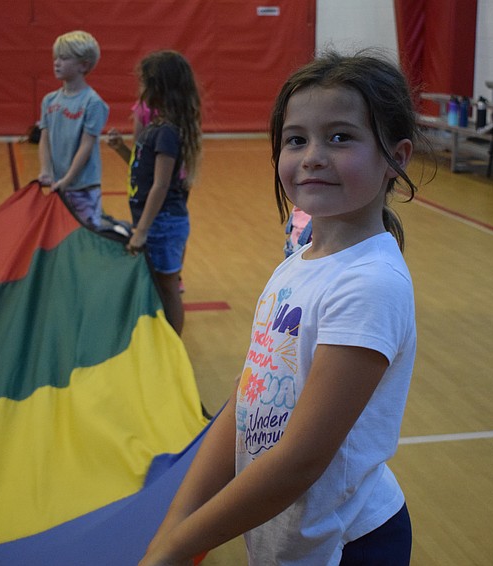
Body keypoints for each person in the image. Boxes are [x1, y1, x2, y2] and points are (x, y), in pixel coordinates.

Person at [138, 49, 419, 566]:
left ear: (396, 158)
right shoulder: (298, 262)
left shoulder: (369, 285)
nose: (313, 155)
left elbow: (300, 460)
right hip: (285, 533)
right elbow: (246, 398)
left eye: (340, 137)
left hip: (347, 543)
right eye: (297, 139)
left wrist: (183, 543)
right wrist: (175, 521)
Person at [106, 50, 201, 336]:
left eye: (144, 81)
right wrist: (121, 148)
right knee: (159, 283)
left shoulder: (167, 132)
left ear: (158, 87)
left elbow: (160, 185)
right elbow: (143, 170)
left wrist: (142, 230)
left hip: (163, 223)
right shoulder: (155, 129)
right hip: (154, 222)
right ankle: (163, 340)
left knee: (168, 285)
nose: (140, 87)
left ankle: (173, 347)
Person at [38, 30, 109, 228]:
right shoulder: (49, 100)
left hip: (83, 186)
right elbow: (44, 138)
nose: (56, 63)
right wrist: (46, 170)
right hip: (58, 185)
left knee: (87, 236)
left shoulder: (93, 103)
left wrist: (68, 179)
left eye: (64, 58)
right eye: (55, 58)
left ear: (83, 65)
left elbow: (87, 146)